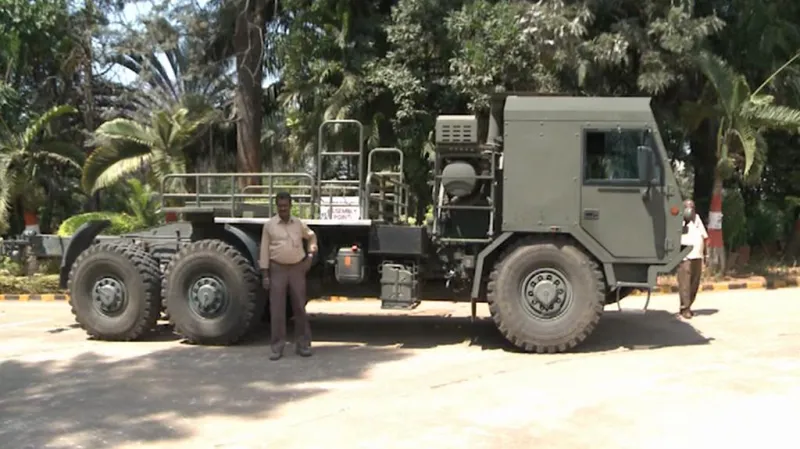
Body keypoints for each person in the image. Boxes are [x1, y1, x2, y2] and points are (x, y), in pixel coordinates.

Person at [259, 191, 318, 360]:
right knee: (277, 309)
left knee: (299, 306)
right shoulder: (269, 226)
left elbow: (312, 236)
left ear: (291, 206)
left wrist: (310, 256)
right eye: (280, 206)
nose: (283, 209)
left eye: (285, 206)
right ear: (276, 207)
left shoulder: (298, 224)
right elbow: (264, 250)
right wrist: (265, 274)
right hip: (277, 269)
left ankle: (303, 345)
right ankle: (277, 347)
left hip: (297, 269)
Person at [678, 199, 708, 319]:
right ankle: (685, 308)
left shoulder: (697, 219)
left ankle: (688, 306)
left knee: (694, 283)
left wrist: (705, 255)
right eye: (688, 207)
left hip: (698, 256)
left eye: (693, 207)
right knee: (685, 284)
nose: (691, 210)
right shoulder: (679, 219)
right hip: (686, 256)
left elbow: (704, 236)